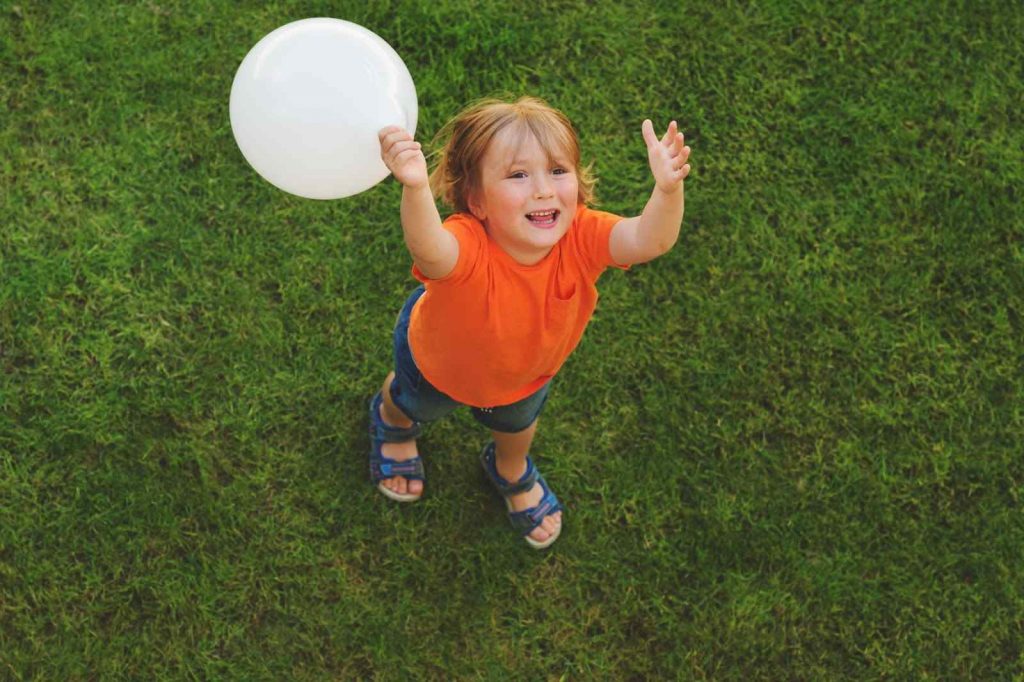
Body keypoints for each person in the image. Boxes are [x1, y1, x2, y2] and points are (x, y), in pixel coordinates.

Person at [369, 96, 690, 549]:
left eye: (558, 171)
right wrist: (416, 188)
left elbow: (648, 239)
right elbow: (430, 251)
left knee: (517, 428)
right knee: (413, 402)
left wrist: (668, 191)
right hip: (435, 367)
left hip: (525, 377)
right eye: (518, 175)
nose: (543, 190)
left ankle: (510, 468)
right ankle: (392, 421)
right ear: (476, 200)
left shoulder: (582, 236)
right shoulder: (467, 241)